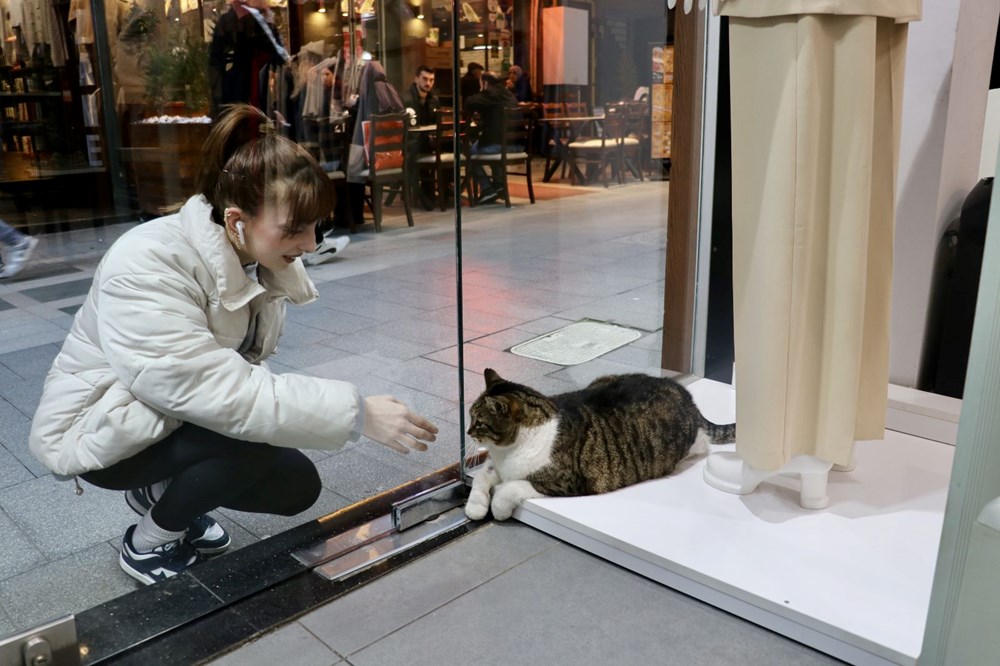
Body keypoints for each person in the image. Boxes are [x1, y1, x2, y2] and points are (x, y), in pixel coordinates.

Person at [28, 104, 438, 585]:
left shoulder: (252, 256)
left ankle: (158, 494)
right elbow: (208, 388)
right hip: (101, 425)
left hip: (166, 412)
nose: (310, 243)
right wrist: (357, 413)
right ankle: (146, 544)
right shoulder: (147, 261)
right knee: (258, 434)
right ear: (237, 219)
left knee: (296, 487)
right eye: (295, 229)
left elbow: (230, 378)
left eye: (316, 226)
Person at [344, 60, 405, 225]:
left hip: (373, 159)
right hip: (392, 159)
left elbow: (361, 124)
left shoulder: (368, 94)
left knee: (351, 170)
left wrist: (352, 106)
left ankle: (354, 217)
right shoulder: (390, 90)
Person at [208, 0, 289, 117]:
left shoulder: (255, 18)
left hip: (256, 80)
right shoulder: (228, 21)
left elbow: (277, 52)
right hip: (239, 82)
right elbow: (216, 58)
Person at [464, 70, 517, 204]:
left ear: (485, 83)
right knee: (491, 141)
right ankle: (499, 186)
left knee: (467, 152)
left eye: (480, 83)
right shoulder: (509, 94)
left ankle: (487, 189)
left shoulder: (490, 94)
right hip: (518, 144)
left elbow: (470, 101)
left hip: (501, 145)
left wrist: (482, 90)